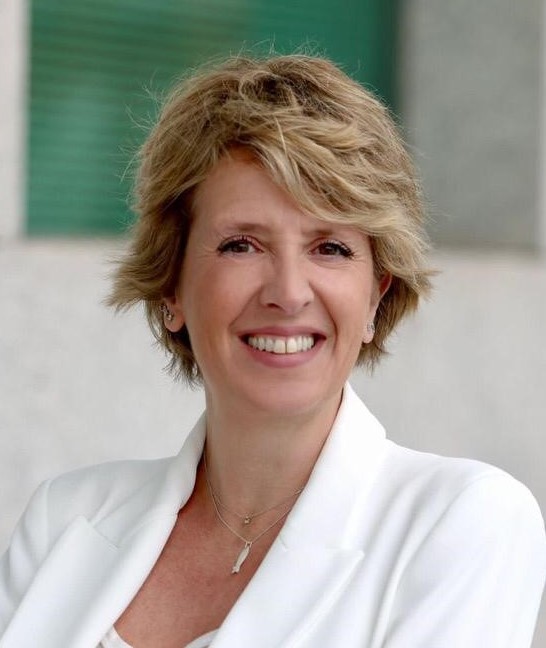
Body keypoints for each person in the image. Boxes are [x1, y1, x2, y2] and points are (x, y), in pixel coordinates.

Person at [1, 54, 545, 648]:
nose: (288, 292)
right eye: (241, 245)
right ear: (171, 288)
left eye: (330, 248)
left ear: (374, 297)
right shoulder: (63, 520)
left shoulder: (463, 522)